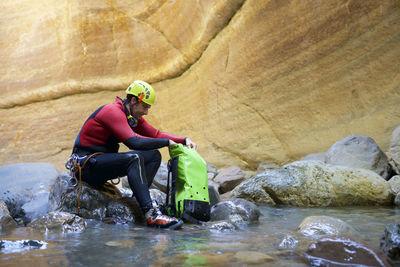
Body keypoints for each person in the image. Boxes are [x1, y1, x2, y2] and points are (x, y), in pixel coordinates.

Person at [68, 80, 197, 230]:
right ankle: (150, 213)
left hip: (99, 164)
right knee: (133, 159)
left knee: (153, 155)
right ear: (134, 100)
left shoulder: (130, 116)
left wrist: (183, 140)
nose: (146, 112)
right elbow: (134, 143)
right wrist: (167, 142)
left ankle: (138, 202)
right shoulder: (112, 112)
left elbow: (155, 134)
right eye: (145, 107)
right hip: (86, 167)